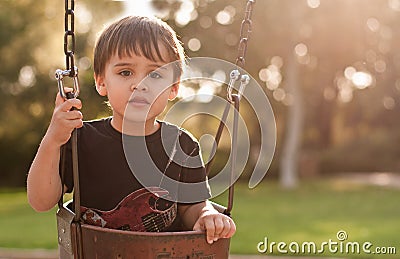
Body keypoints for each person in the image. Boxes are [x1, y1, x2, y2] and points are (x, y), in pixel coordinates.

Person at [27, 15, 235, 244]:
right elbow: (41, 201)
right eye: (125, 72)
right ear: (101, 82)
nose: (140, 84)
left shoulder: (182, 146)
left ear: (173, 88)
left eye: (155, 74)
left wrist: (206, 215)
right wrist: (52, 140)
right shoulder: (80, 139)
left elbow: (191, 208)